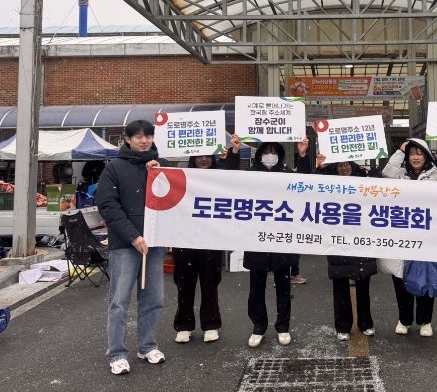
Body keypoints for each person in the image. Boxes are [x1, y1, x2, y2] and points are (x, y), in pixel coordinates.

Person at [95, 120, 168, 375]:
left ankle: (147, 346)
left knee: (153, 299)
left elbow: (174, 199)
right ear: (127, 139)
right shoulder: (114, 168)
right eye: (138, 136)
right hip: (125, 245)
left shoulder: (161, 167)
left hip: (154, 243)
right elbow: (107, 205)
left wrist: (158, 174)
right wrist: (133, 236)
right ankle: (116, 353)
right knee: (120, 301)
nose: (144, 140)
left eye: (148, 135)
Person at [224, 134, 311, 348]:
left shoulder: (287, 175)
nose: (270, 155)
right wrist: (234, 152)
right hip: (257, 239)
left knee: (283, 288)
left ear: (279, 155)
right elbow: (228, 180)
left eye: (273, 152)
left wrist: (302, 156)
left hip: (282, 239)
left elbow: (306, 184)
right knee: (256, 289)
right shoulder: (251, 176)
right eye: (266, 152)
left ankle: (283, 327)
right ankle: (258, 327)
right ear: (260, 155)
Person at [380, 138, 437, 337]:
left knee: (426, 278)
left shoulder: (436, 177)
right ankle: (404, 319)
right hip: (401, 235)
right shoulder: (399, 174)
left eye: (420, 153)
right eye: (412, 153)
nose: (416, 157)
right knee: (401, 280)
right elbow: (386, 172)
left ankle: (426, 321)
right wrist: (400, 151)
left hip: (426, 236)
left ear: (426, 156)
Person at [316, 154, 377, 342]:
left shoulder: (364, 179)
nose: (345, 168)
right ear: (335, 168)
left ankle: (365, 323)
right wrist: (318, 168)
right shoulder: (327, 183)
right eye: (340, 165)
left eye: (347, 164)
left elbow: (382, 185)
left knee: (363, 283)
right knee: (340, 283)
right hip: (338, 238)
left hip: (361, 236)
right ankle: (342, 326)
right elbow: (310, 188)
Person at [172, 154, 224, 344]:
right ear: (192, 158)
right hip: (184, 239)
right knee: (184, 285)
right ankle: (183, 326)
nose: (204, 160)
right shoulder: (181, 178)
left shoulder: (221, 179)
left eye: (208, 156)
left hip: (210, 240)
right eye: (199, 156)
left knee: (210, 284)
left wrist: (232, 156)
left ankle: (211, 325)